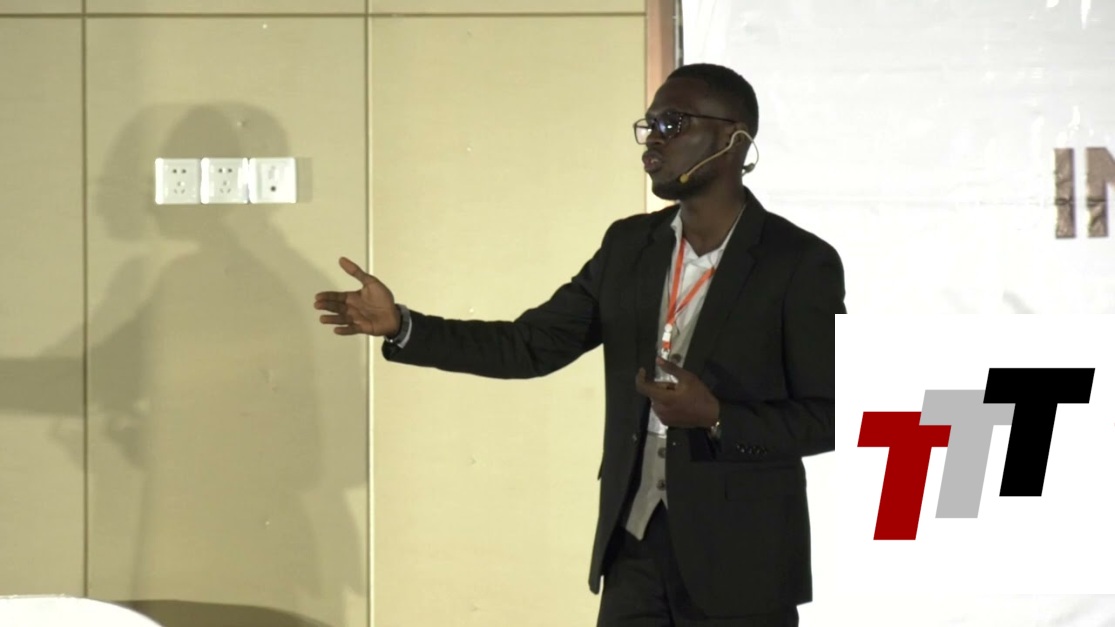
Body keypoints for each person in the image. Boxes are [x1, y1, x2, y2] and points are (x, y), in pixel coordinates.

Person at [314, 63, 845, 627]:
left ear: (734, 139)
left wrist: (717, 417)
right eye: (649, 125)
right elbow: (531, 345)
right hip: (633, 549)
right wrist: (403, 326)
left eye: (672, 123)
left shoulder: (800, 263)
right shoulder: (629, 246)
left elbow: (830, 416)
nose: (653, 140)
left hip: (744, 561)